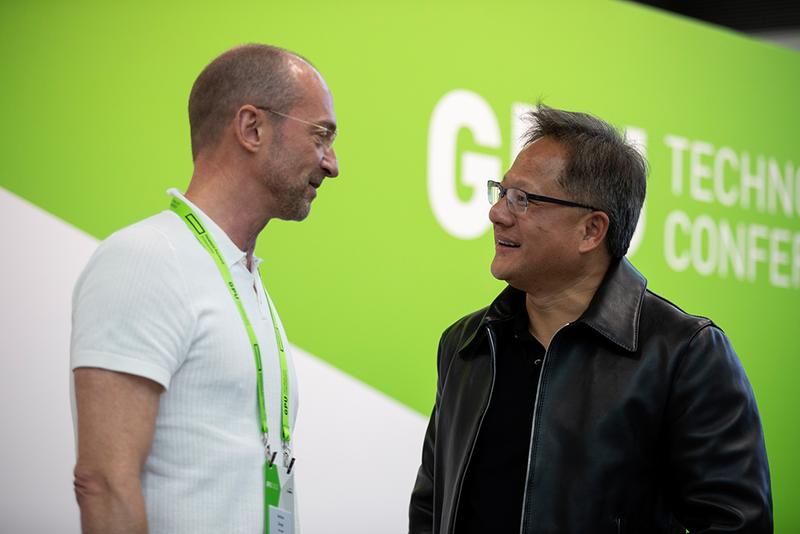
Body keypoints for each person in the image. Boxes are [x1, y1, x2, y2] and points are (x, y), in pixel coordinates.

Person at [409, 105, 772, 533]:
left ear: (591, 230)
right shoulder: (467, 344)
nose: (498, 213)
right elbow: (431, 509)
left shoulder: (684, 354)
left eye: (523, 199)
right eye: (501, 191)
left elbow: (735, 524)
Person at [70, 44, 339, 534]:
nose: (333, 164)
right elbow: (103, 481)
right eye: (321, 136)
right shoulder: (146, 259)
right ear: (252, 128)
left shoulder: (243, 277)